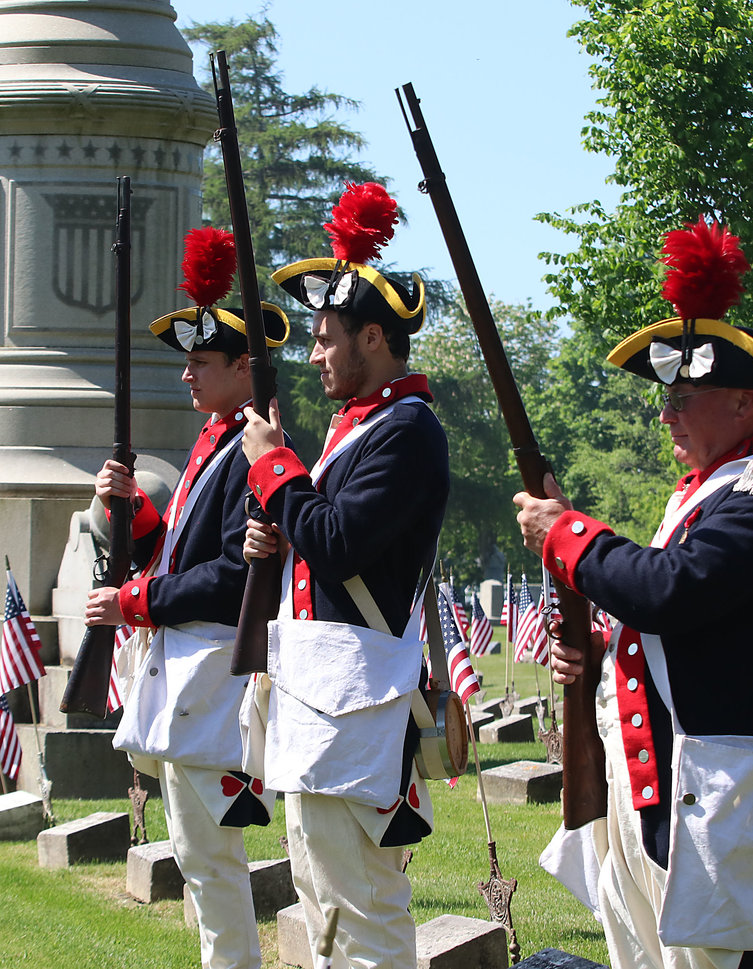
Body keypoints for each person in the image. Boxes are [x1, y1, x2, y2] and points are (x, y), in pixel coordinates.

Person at [514, 221, 753, 969]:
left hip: (717, 792)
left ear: (748, 398)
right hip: (667, 785)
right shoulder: (708, 491)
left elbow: (672, 592)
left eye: (683, 397)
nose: (666, 414)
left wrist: (566, 534)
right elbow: (682, 622)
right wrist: (599, 647)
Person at [239, 182, 449, 966]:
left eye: (328, 338)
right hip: (319, 702)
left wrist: (275, 471)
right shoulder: (358, 430)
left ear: (373, 338)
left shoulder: (407, 431)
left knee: (364, 917)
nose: (315, 353)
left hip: (353, 705)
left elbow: (339, 541)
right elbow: (315, 542)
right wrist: (278, 527)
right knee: (325, 912)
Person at [83, 226, 289, 969]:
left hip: (213, 678)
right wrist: (134, 511)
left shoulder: (254, 449)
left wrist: (134, 600)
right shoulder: (217, 439)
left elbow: (235, 576)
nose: (186, 375)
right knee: (199, 860)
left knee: (211, 860)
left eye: (201, 362)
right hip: (188, 677)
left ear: (243, 366)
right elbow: (180, 549)